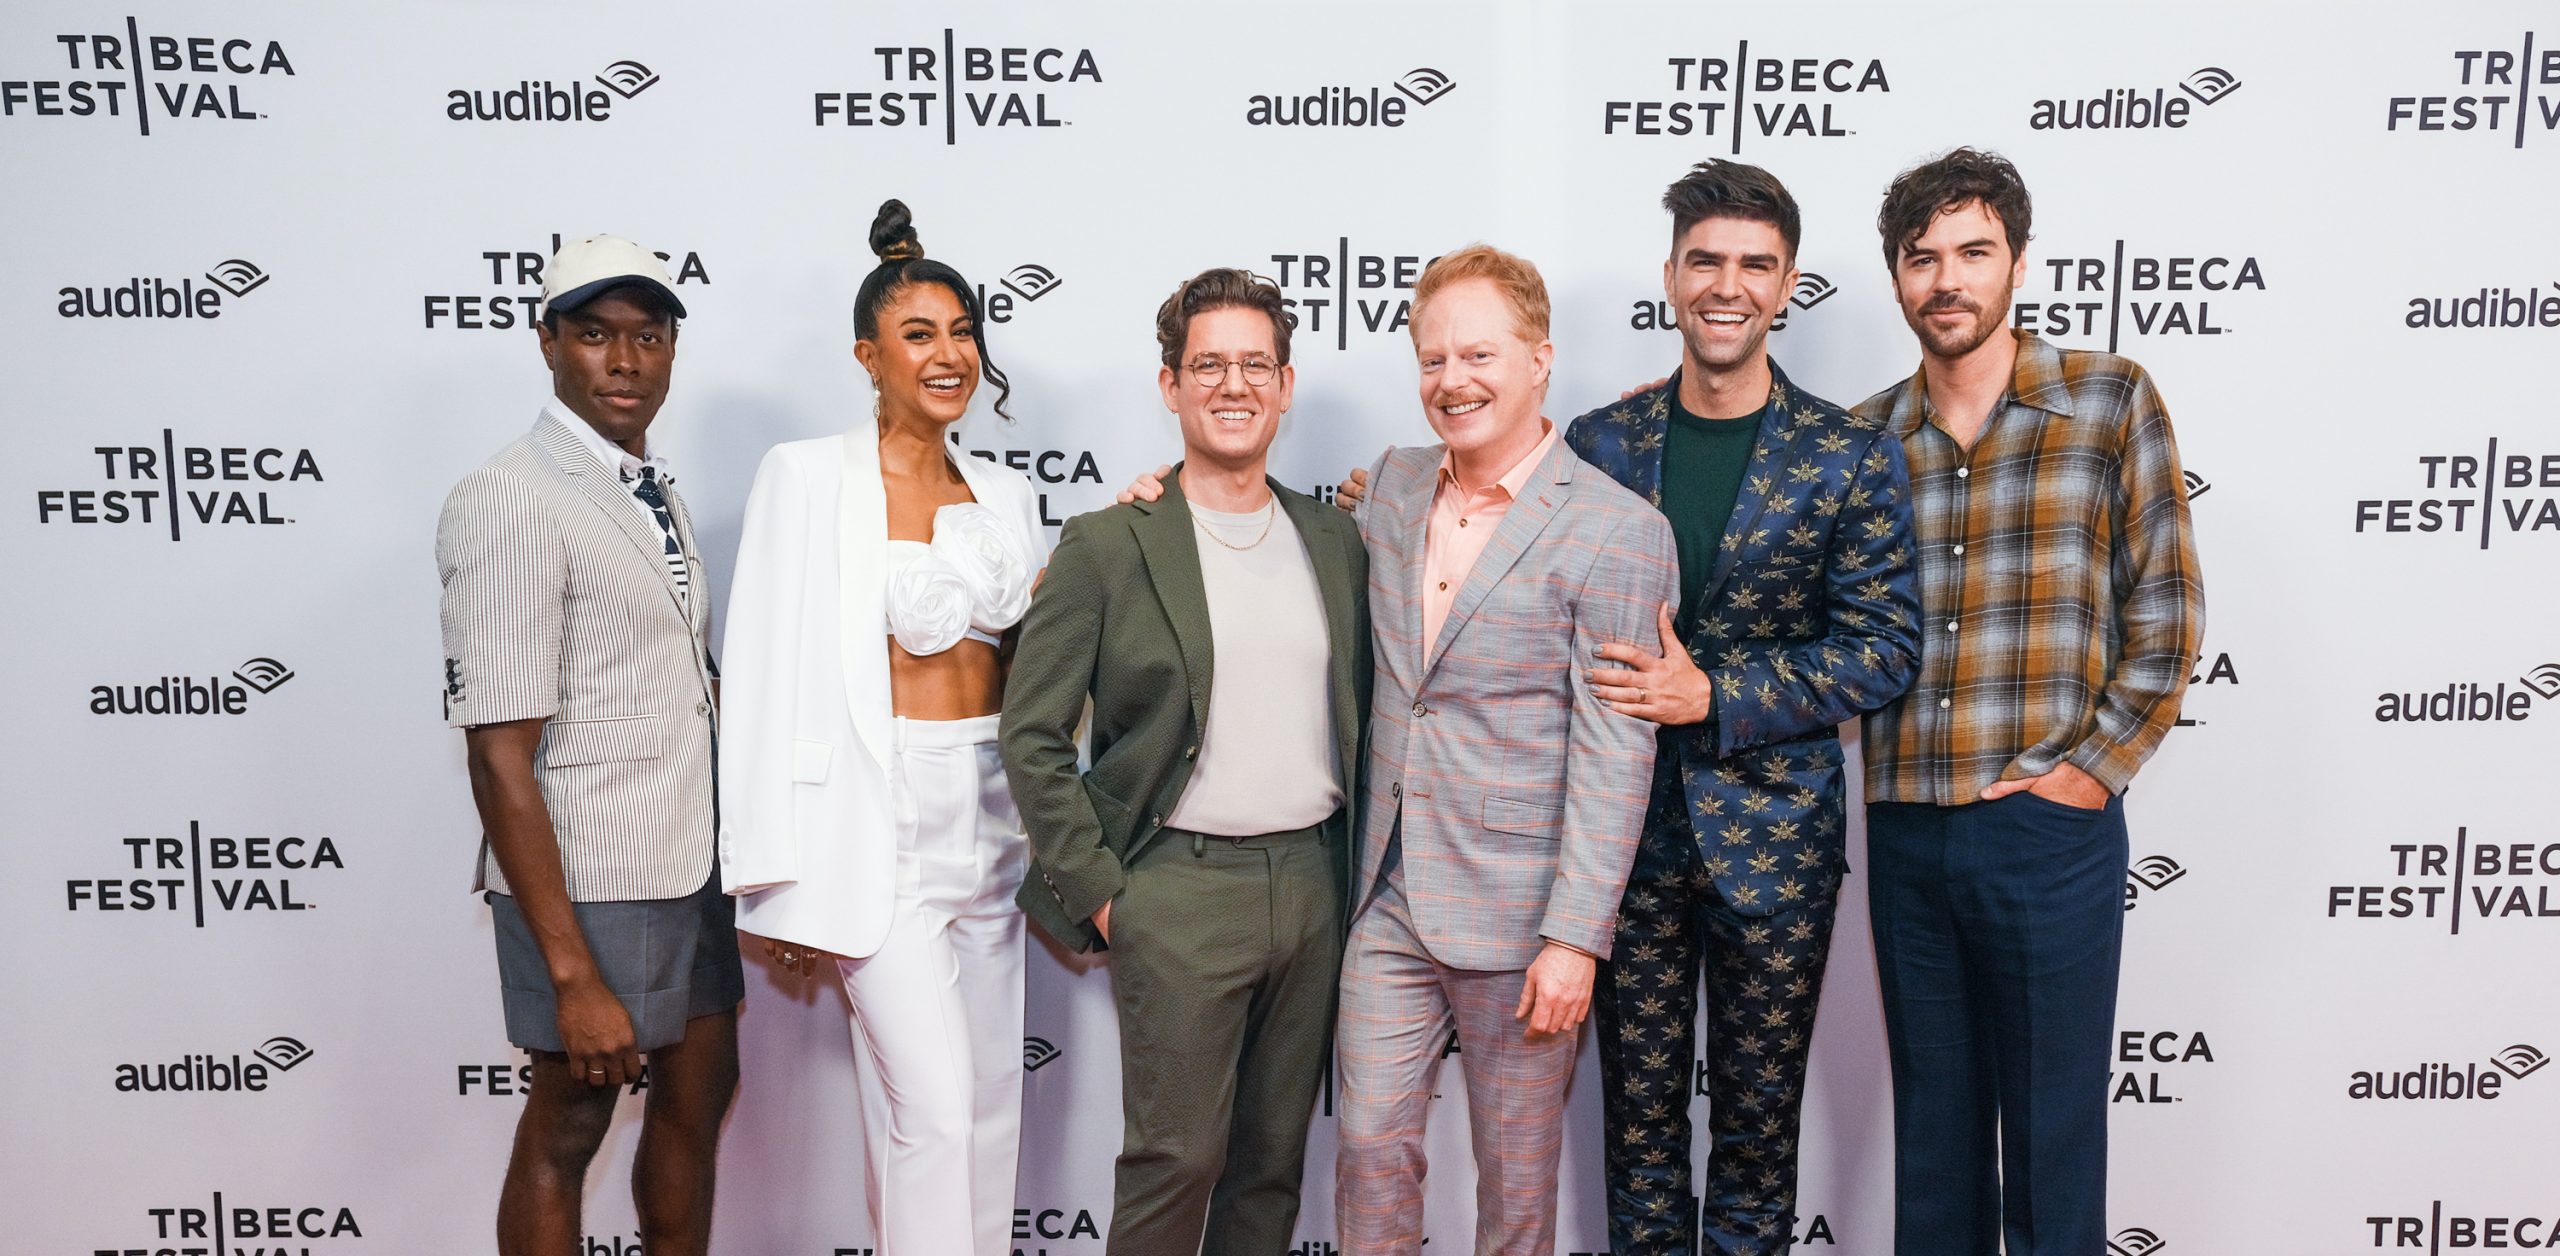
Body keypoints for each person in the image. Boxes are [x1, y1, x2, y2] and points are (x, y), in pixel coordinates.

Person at [1564, 160, 1922, 1255]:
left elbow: (1883, 647)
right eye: (1706, 260)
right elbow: (1479, 530)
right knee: (1636, 1131)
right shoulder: (1597, 445)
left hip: (1775, 842)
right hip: (1620, 838)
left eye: (1753, 265)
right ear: (1670, 275)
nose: (1728, 285)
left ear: (1788, 284)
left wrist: (1712, 694)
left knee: (1759, 1139)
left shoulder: (1847, 455)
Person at [1854, 148, 2204, 1256]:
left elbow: (2168, 607)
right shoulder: (1862, 440)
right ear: (1897, 278)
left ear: (2014, 261)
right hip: (1907, 827)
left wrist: (2083, 775)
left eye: (1971, 252)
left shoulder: (2107, 397)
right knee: (1935, 1152)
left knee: (2052, 1151)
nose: (1945, 279)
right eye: (1922, 259)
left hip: (2046, 831)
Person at [1002, 268, 1370, 1256]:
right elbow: (1030, 732)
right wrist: (1108, 894)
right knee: (1175, 1160)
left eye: (1255, 363)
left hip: (1313, 882)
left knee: (1269, 1168)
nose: (1233, 384)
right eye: (1208, 363)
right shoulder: (1107, 542)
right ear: (1169, 385)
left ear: (1286, 384)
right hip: (1176, 887)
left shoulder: (1337, 538)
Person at [717, 200, 1044, 1256]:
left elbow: (1037, 660)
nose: (948, 355)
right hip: (877, 828)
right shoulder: (806, 476)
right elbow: (759, 672)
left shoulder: (1006, 491)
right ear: (869, 355)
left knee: (992, 1103)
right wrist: (768, 870)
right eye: (919, 335)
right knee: (933, 1112)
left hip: (994, 820)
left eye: (962, 333)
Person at [1336, 246, 1676, 1256]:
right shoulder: (1391, 489)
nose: (1453, 381)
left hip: (1526, 918)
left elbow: (1617, 750)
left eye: (1477, 354)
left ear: (1540, 359)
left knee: (1515, 1190)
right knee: (1365, 1147)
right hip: (1387, 896)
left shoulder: (1620, 531)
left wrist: (1575, 934)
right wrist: (1166, 492)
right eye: (1432, 360)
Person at [436, 234, 739, 1256]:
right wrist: (571, 971)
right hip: (589, 876)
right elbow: (497, 750)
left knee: (701, 1096)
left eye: (647, 337)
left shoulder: (642, 483)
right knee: (568, 1126)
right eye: (597, 335)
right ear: (548, 343)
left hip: (686, 859)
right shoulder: (515, 492)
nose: (624, 360)